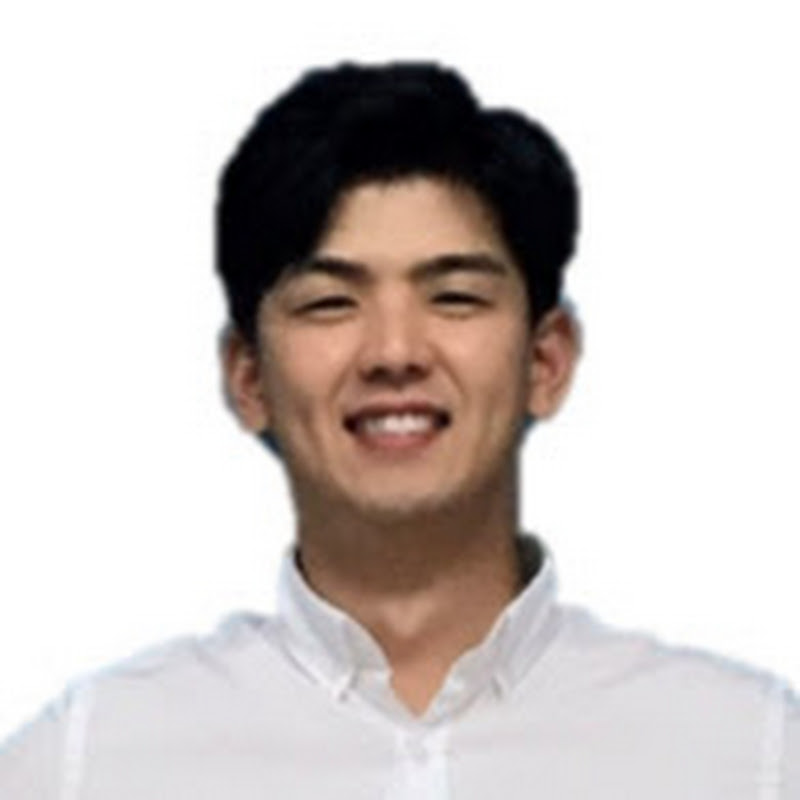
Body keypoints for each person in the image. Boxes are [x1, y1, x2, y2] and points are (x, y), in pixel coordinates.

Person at [1, 61, 797, 799]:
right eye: (330, 303)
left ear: (546, 361)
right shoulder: (87, 763)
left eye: (454, 297)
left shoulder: (749, 753)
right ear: (248, 378)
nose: (394, 352)